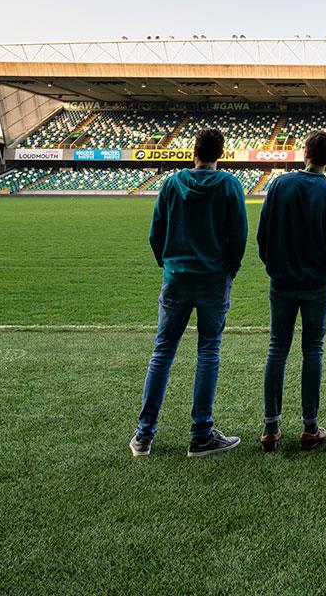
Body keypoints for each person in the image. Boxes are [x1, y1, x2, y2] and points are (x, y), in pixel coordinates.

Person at [131, 128, 248, 458]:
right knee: (208, 351)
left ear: (192, 151)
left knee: (163, 351)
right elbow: (238, 237)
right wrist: (229, 269)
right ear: (220, 154)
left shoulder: (171, 183)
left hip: (177, 278)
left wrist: (167, 264)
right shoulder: (229, 185)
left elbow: (156, 232)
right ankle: (200, 435)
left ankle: (143, 436)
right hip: (213, 279)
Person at [256, 130, 326, 451]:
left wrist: (273, 265)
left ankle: (271, 428)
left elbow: (263, 234)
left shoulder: (280, 185)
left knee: (277, 349)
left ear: (305, 153)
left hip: (282, 281)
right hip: (316, 283)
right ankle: (310, 428)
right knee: (313, 350)